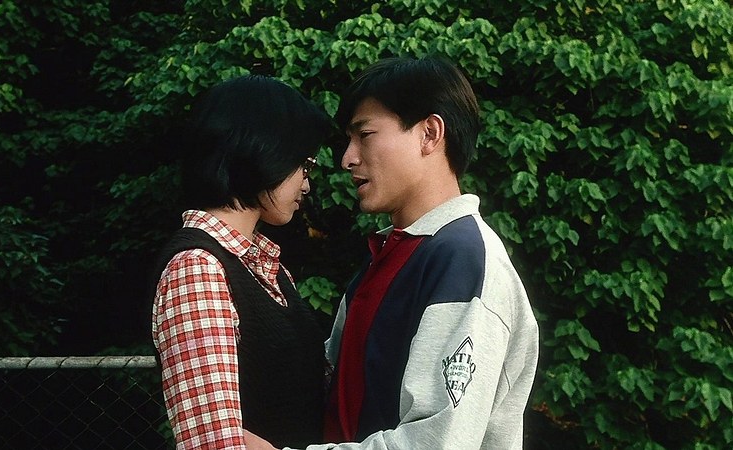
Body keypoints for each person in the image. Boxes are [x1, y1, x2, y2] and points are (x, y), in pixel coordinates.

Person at [247, 57, 539, 450]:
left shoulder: (464, 261)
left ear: (429, 134)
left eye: (364, 135)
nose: (347, 158)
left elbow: (436, 443)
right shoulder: (386, 259)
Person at [151, 75, 331, 449]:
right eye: (304, 164)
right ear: (264, 151)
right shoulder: (197, 268)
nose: (306, 184)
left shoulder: (267, 267)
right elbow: (214, 442)